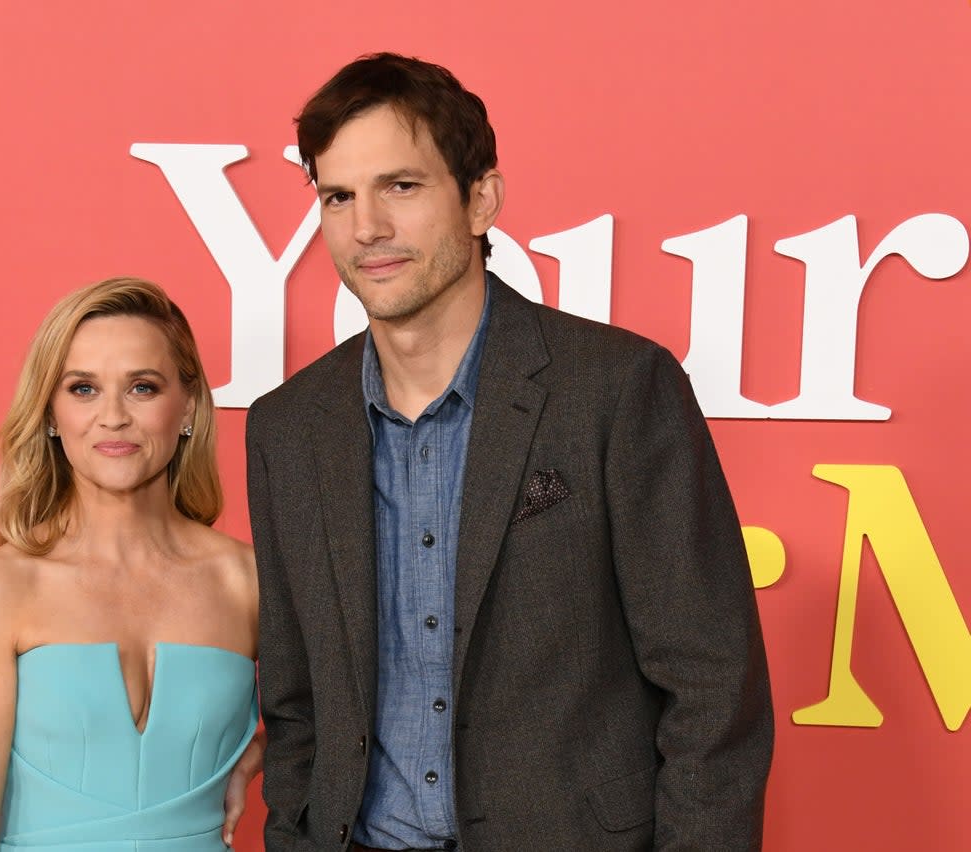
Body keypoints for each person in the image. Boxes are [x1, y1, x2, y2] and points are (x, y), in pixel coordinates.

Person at [246, 54, 774, 851]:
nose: (367, 228)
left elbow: (713, 692)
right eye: (338, 197)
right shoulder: (288, 427)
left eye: (402, 186)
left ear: (482, 199)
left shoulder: (618, 388)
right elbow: (294, 704)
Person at [0, 278, 263, 852]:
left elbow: (350, 709)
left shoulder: (248, 579)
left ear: (187, 407)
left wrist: (263, 753)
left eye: (142, 387)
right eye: (83, 389)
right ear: (52, 415)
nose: (113, 416)